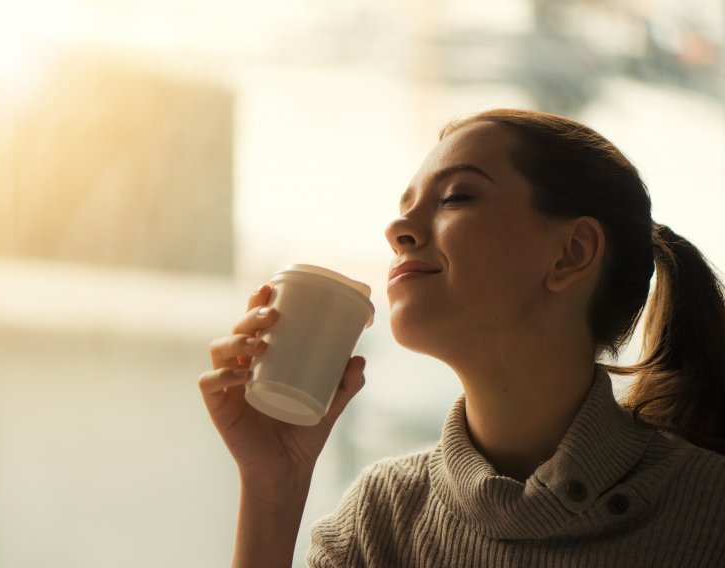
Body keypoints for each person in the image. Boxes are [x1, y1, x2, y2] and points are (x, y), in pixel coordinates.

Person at [198, 109, 725, 567]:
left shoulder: (712, 512)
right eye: (406, 204)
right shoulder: (378, 523)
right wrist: (273, 484)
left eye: (456, 196)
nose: (398, 228)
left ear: (572, 252)